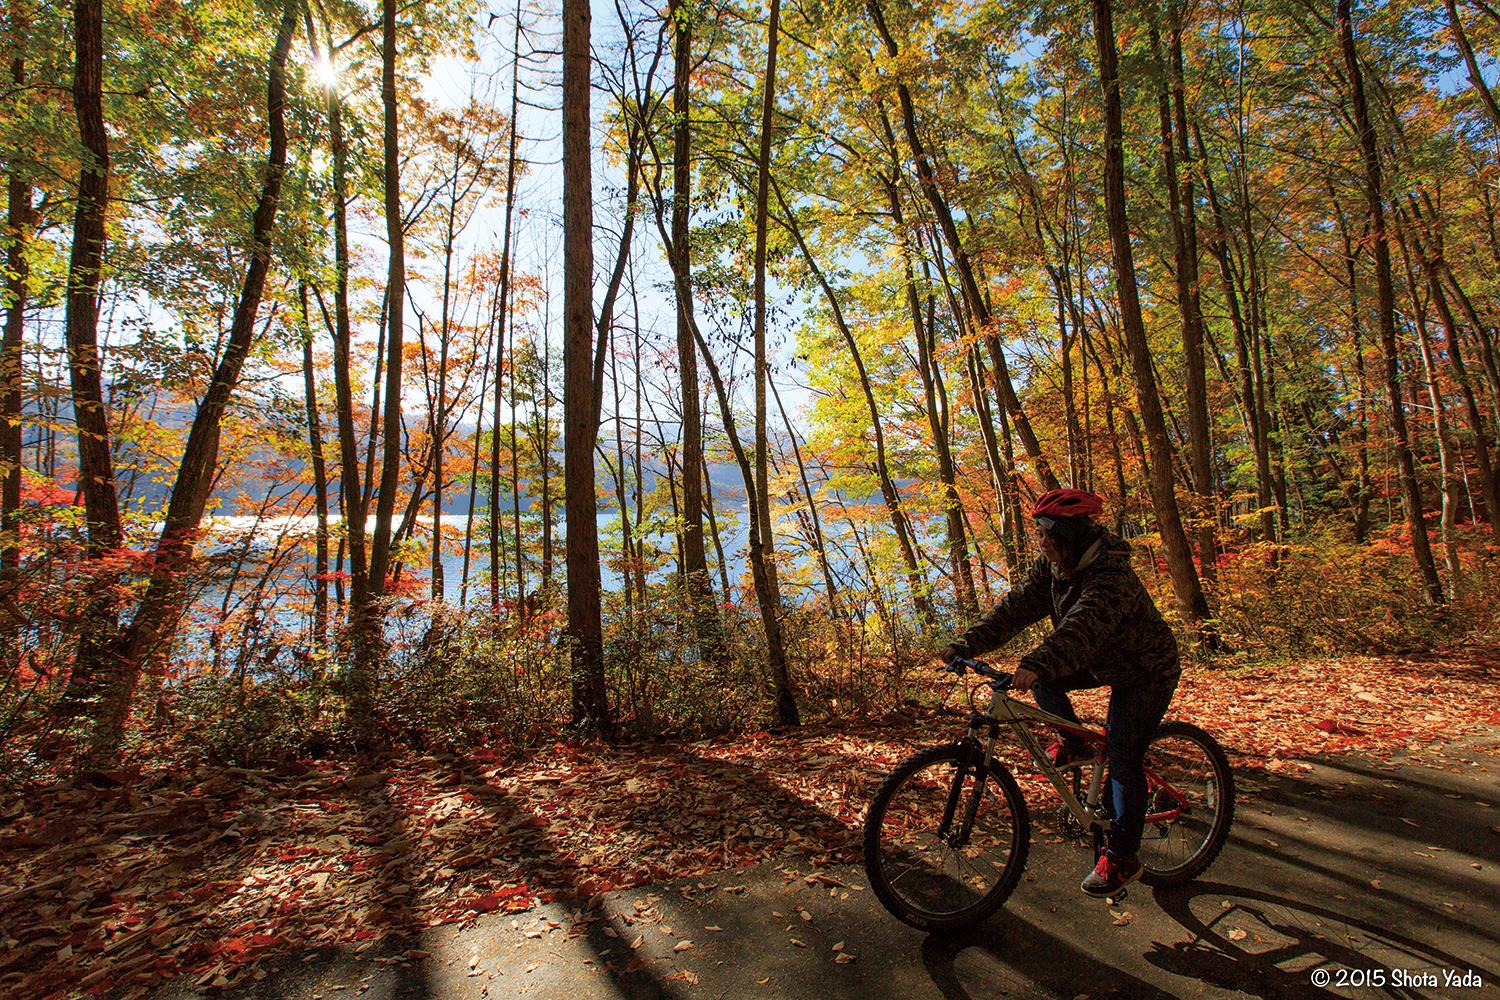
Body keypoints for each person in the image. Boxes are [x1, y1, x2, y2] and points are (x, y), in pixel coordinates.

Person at [936, 488, 1181, 897]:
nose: (1042, 542)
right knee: (1048, 681)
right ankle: (1073, 741)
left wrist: (1036, 663)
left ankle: (1123, 857)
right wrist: (967, 644)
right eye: (1039, 533)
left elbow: (1083, 628)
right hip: (1103, 658)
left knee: (1123, 758)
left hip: (1145, 669)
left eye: (1048, 533)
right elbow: (1014, 609)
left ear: (1072, 533)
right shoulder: (1055, 566)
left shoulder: (1111, 574)